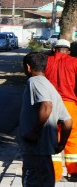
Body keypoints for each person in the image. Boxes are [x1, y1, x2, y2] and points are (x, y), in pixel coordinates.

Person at [21, 51, 73, 187]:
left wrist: (35, 132)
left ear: (28, 67)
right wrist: (61, 144)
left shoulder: (34, 81)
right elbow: (68, 121)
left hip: (34, 150)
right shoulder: (52, 88)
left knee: (30, 182)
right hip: (46, 151)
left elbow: (46, 104)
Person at [45, 39, 77, 181]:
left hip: (50, 106)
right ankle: (74, 171)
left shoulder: (46, 61)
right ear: (68, 51)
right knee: (73, 138)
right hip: (70, 105)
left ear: (54, 49)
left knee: (52, 138)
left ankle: (55, 174)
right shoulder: (75, 62)